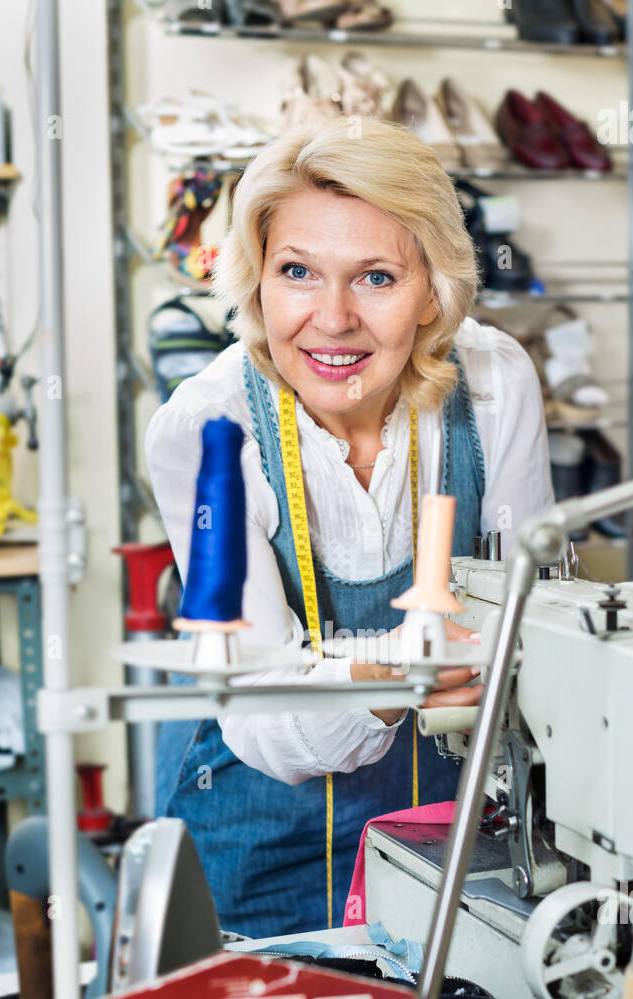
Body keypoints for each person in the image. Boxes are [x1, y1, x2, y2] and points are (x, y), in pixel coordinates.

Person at [146, 115, 553, 938]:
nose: (331, 320)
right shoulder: (207, 430)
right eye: (297, 271)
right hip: (257, 837)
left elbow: (531, 618)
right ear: (257, 279)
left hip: (443, 827)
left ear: (434, 288)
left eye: (375, 277)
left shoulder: (495, 384)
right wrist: (402, 674)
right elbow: (261, 711)